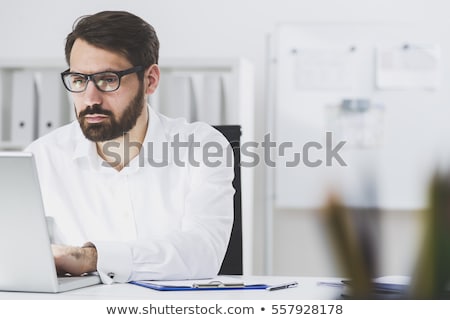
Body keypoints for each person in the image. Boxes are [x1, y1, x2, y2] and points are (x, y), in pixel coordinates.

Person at [25, 10, 234, 284]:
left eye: (108, 79)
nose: (90, 98)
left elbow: (203, 254)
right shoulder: (40, 158)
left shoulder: (201, 147)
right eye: (78, 80)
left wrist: (91, 258)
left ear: (150, 80)